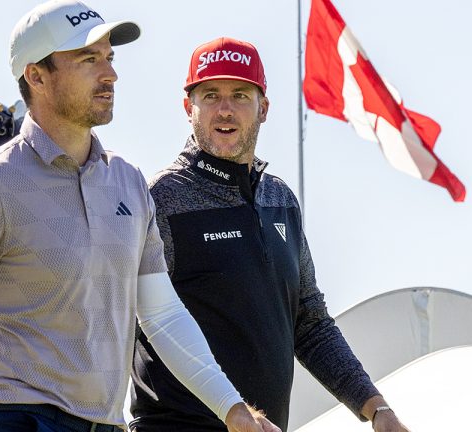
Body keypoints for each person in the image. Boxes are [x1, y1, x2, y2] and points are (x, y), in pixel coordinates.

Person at [0, 4, 281, 432]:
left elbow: (161, 315)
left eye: (109, 58)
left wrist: (233, 409)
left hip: (105, 424)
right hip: (17, 419)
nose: (110, 74)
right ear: (37, 76)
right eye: (89, 60)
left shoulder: (128, 182)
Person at [129, 37, 411, 432]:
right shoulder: (160, 199)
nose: (225, 109)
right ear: (187, 107)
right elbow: (133, 320)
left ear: (264, 108)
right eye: (210, 95)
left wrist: (376, 409)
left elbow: (310, 324)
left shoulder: (280, 200)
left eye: (241, 95)